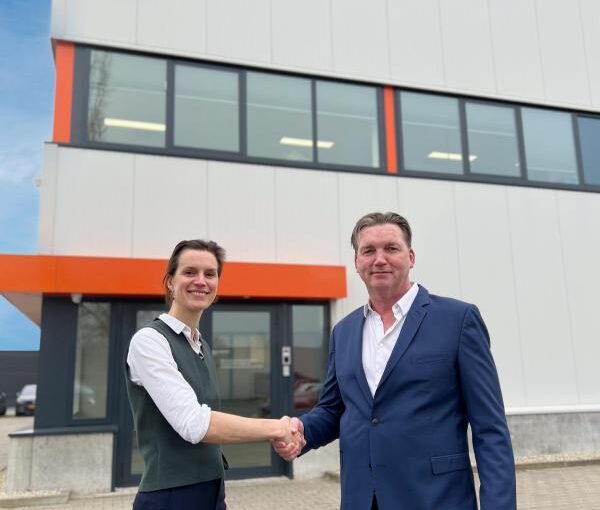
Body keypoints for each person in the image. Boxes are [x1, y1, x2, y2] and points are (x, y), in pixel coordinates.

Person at [275, 212, 516, 510]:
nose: (379, 259)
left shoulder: (458, 320)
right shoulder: (344, 331)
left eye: (391, 248)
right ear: (357, 262)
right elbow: (334, 408)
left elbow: (490, 429)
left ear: (410, 256)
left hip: (435, 499)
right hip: (362, 499)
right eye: (368, 251)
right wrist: (301, 432)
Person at [126, 239, 301, 510]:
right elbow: (194, 424)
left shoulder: (201, 346)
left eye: (210, 274)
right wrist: (276, 428)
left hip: (211, 490)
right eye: (189, 272)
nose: (200, 281)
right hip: (170, 497)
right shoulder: (150, 341)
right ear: (170, 282)